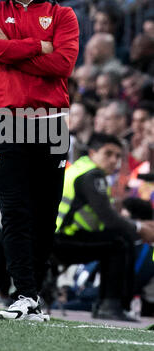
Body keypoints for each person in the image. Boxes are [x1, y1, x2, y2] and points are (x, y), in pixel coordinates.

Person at [0, 0, 79, 322]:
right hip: (3, 124)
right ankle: (24, 294)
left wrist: (11, 47)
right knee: (15, 211)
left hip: (50, 125)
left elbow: (62, 64)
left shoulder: (63, 15)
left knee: (44, 216)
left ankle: (33, 297)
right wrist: (37, 46)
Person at [52, 132, 154, 321]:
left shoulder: (80, 167)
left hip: (57, 236)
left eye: (117, 156)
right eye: (108, 154)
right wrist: (140, 228)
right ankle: (111, 305)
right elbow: (109, 219)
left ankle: (109, 304)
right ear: (93, 152)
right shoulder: (93, 175)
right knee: (119, 243)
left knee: (117, 239)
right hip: (63, 240)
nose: (114, 160)